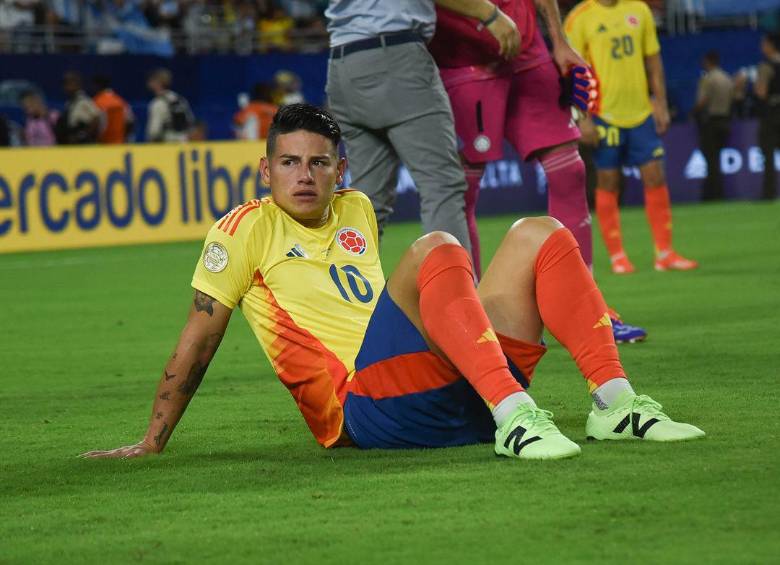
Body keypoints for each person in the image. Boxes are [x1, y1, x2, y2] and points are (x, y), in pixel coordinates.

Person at [82, 104, 703, 462]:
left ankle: (615, 404)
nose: (304, 175)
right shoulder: (245, 230)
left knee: (540, 232)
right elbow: (199, 339)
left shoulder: (355, 209)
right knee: (438, 245)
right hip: (365, 410)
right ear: (265, 169)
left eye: (319, 162)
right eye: (290, 162)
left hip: (453, 397)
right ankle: (517, 416)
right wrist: (150, 443)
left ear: (339, 169)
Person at [429, 0, 645, 344]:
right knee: (458, 189)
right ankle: (476, 318)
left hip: (529, 53)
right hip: (465, 59)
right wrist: (487, 15)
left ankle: (584, 309)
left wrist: (558, 40)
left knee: (569, 172)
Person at [324, 0, 522, 251]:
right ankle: (451, 288)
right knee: (441, 185)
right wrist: (490, 14)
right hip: (394, 55)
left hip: (342, 60)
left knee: (366, 202)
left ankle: (344, 288)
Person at [565, 0, 698, 273]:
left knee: (655, 176)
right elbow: (572, 71)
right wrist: (582, 117)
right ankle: (618, 257)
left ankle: (665, 253)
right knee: (609, 182)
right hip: (604, 115)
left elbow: (653, 60)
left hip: (641, 113)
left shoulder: (639, 10)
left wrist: (659, 101)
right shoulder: (580, 17)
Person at [693, 51, 733, 202]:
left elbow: (702, 101)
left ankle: (712, 194)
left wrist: (693, 112)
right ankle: (718, 192)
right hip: (725, 121)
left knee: (711, 160)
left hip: (711, 122)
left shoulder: (708, 79)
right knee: (716, 159)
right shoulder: (727, 78)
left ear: (708, 61)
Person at [755, 32, 780, 201]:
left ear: (771, 45)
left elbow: (761, 92)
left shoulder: (766, 66)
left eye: (764, 44)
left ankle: (769, 193)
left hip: (771, 115)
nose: (762, 47)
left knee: (768, 154)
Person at [145, 67, 194, 143]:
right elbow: (190, 123)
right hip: (182, 143)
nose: (149, 83)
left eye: (152, 80)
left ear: (158, 82)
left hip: (166, 145)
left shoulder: (158, 103)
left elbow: (153, 132)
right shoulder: (180, 99)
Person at [57, 70, 102, 145]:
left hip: (83, 143)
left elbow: (96, 118)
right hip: (71, 140)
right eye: (65, 83)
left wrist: (83, 136)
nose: (67, 86)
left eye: (70, 83)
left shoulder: (84, 100)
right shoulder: (69, 103)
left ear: (78, 84)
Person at [92, 74, 135, 144]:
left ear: (97, 86)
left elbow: (95, 124)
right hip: (120, 144)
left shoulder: (97, 102)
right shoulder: (120, 101)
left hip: (103, 144)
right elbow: (130, 121)